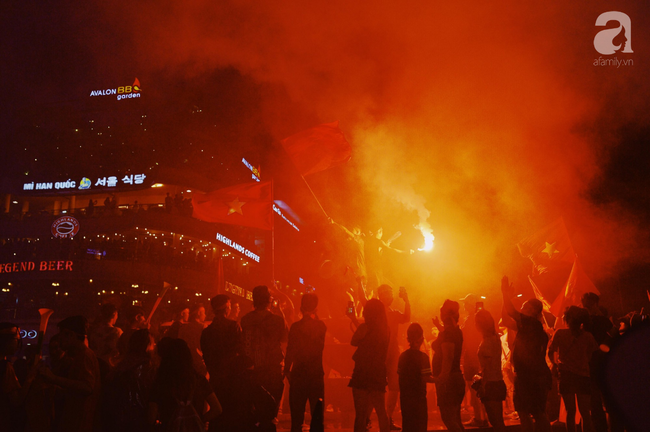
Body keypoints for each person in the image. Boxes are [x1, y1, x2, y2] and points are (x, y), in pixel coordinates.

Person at [501, 276, 551, 432]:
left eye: (525, 306)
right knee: (525, 412)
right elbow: (506, 319)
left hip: (532, 377)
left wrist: (505, 294)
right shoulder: (530, 327)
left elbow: (510, 312)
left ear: (534, 311)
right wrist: (506, 299)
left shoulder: (532, 324)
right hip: (528, 376)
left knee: (535, 412)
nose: (522, 309)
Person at [39, 316, 101, 432]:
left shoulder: (84, 355)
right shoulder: (80, 355)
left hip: (80, 421)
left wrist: (53, 378)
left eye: (62, 335)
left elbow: (87, 387)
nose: (60, 338)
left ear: (71, 335)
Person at [240, 285, 289, 428]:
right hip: (272, 370)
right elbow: (285, 339)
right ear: (269, 300)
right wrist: (281, 314)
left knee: (254, 412)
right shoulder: (277, 320)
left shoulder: (245, 320)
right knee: (271, 413)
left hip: (252, 370)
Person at [148, 338, 221, 431]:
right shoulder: (199, 380)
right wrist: (198, 420)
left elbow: (151, 417)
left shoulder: (161, 383)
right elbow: (217, 409)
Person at [548, 306, 597, 432]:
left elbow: (550, 351)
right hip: (583, 375)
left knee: (570, 411)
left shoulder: (559, 333)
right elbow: (591, 355)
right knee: (585, 412)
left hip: (566, 375)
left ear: (567, 318)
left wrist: (555, 364)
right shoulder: (588, 336)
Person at [284, 293, 327, 432]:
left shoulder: (295, 327)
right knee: (317, 418)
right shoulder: (321, 326)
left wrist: (286, 370)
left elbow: (290, 350)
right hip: (315, 375)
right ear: (316, 308)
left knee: (296, 419)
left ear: (301, 307)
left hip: (298, 374)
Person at [348, 298, 391, 432]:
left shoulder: (364, 327)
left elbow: (354, 341)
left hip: (362, 372)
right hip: (378, 372)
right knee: (381, 411)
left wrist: (354, 319)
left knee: (360, 414)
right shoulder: (386, 329)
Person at [201, 294, 242, 432]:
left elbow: (206, 356)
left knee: (217, 419)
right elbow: (240, 351)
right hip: (233, 381)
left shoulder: (207, 333)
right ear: (226, 309)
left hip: (216, 380)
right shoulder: (233, 327)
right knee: (232, 418)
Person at [103, 329, 157, 432]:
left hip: (117, 421)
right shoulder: (148, 367)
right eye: (152, 343)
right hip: (139, 421)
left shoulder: (119, 366)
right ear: (147, 346)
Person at [377, 284, 411, 430]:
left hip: (391, 353)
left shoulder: (391, 312)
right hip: (381, 354)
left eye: (390, 293)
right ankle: (382, 419)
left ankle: (387, 419)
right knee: (378, 388)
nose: (390, 296)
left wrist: (406, 300)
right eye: (387, 293)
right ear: (381, 295)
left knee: (394, 387)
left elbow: (406, 318)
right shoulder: (378, 312)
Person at [431, 300, 465, 432]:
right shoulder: (455, 330)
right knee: (455, 419)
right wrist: (439, 326)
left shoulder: (449, 333)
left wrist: (441, 379)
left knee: (449, 419)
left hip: (448, 382)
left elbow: (448, 357)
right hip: (455, 379)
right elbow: (447, 335)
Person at [581, 292, 612, 432]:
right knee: (601, 403)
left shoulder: (583, 323)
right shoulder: (600, 321)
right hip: (596, 365)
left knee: (598, 403)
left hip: (594, 365)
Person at [474, 309, 507, 432]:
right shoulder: (495, 338)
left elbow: (486, 366)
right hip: (497, 381)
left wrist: (482, 384)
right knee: (498, 421)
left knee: (495, 421)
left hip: (490, 384)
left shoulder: (487, 341)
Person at [398, 323, 434, 432]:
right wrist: (440, 379)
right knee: (420, 426)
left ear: (408, 338)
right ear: (422, 339)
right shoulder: (423, 357)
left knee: (408, 426)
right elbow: (426, 378)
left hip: (405, 399)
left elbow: (400, 377)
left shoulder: (402, 356)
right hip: (419, 400)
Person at [1, 322, 37, 432]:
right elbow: (16, 400)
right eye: (16, 340)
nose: (18, 344)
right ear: (6, 341)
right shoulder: (5, 367)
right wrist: (30, 377)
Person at [459, 294, 487, 428]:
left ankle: (478, 418)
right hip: (477, 357)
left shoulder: (471, 319)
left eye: (466, 303)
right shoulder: (479, 318)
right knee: (479, 388)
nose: (464, 306)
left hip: (472, 358)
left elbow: (465, 339)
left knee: (474, 388)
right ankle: (484, 417)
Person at [89, 303, 123, 368]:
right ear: (114, 314)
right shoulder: (116, 332)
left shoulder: (94, 331)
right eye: (117, 314)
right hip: (110, 365)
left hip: (96, 364)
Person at [178, 304, 207, 376]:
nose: (205, 315)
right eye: (204, 312)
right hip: (199, 361)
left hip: (187, 362)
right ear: (199, 313)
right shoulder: (203, 328)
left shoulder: (183, 328)